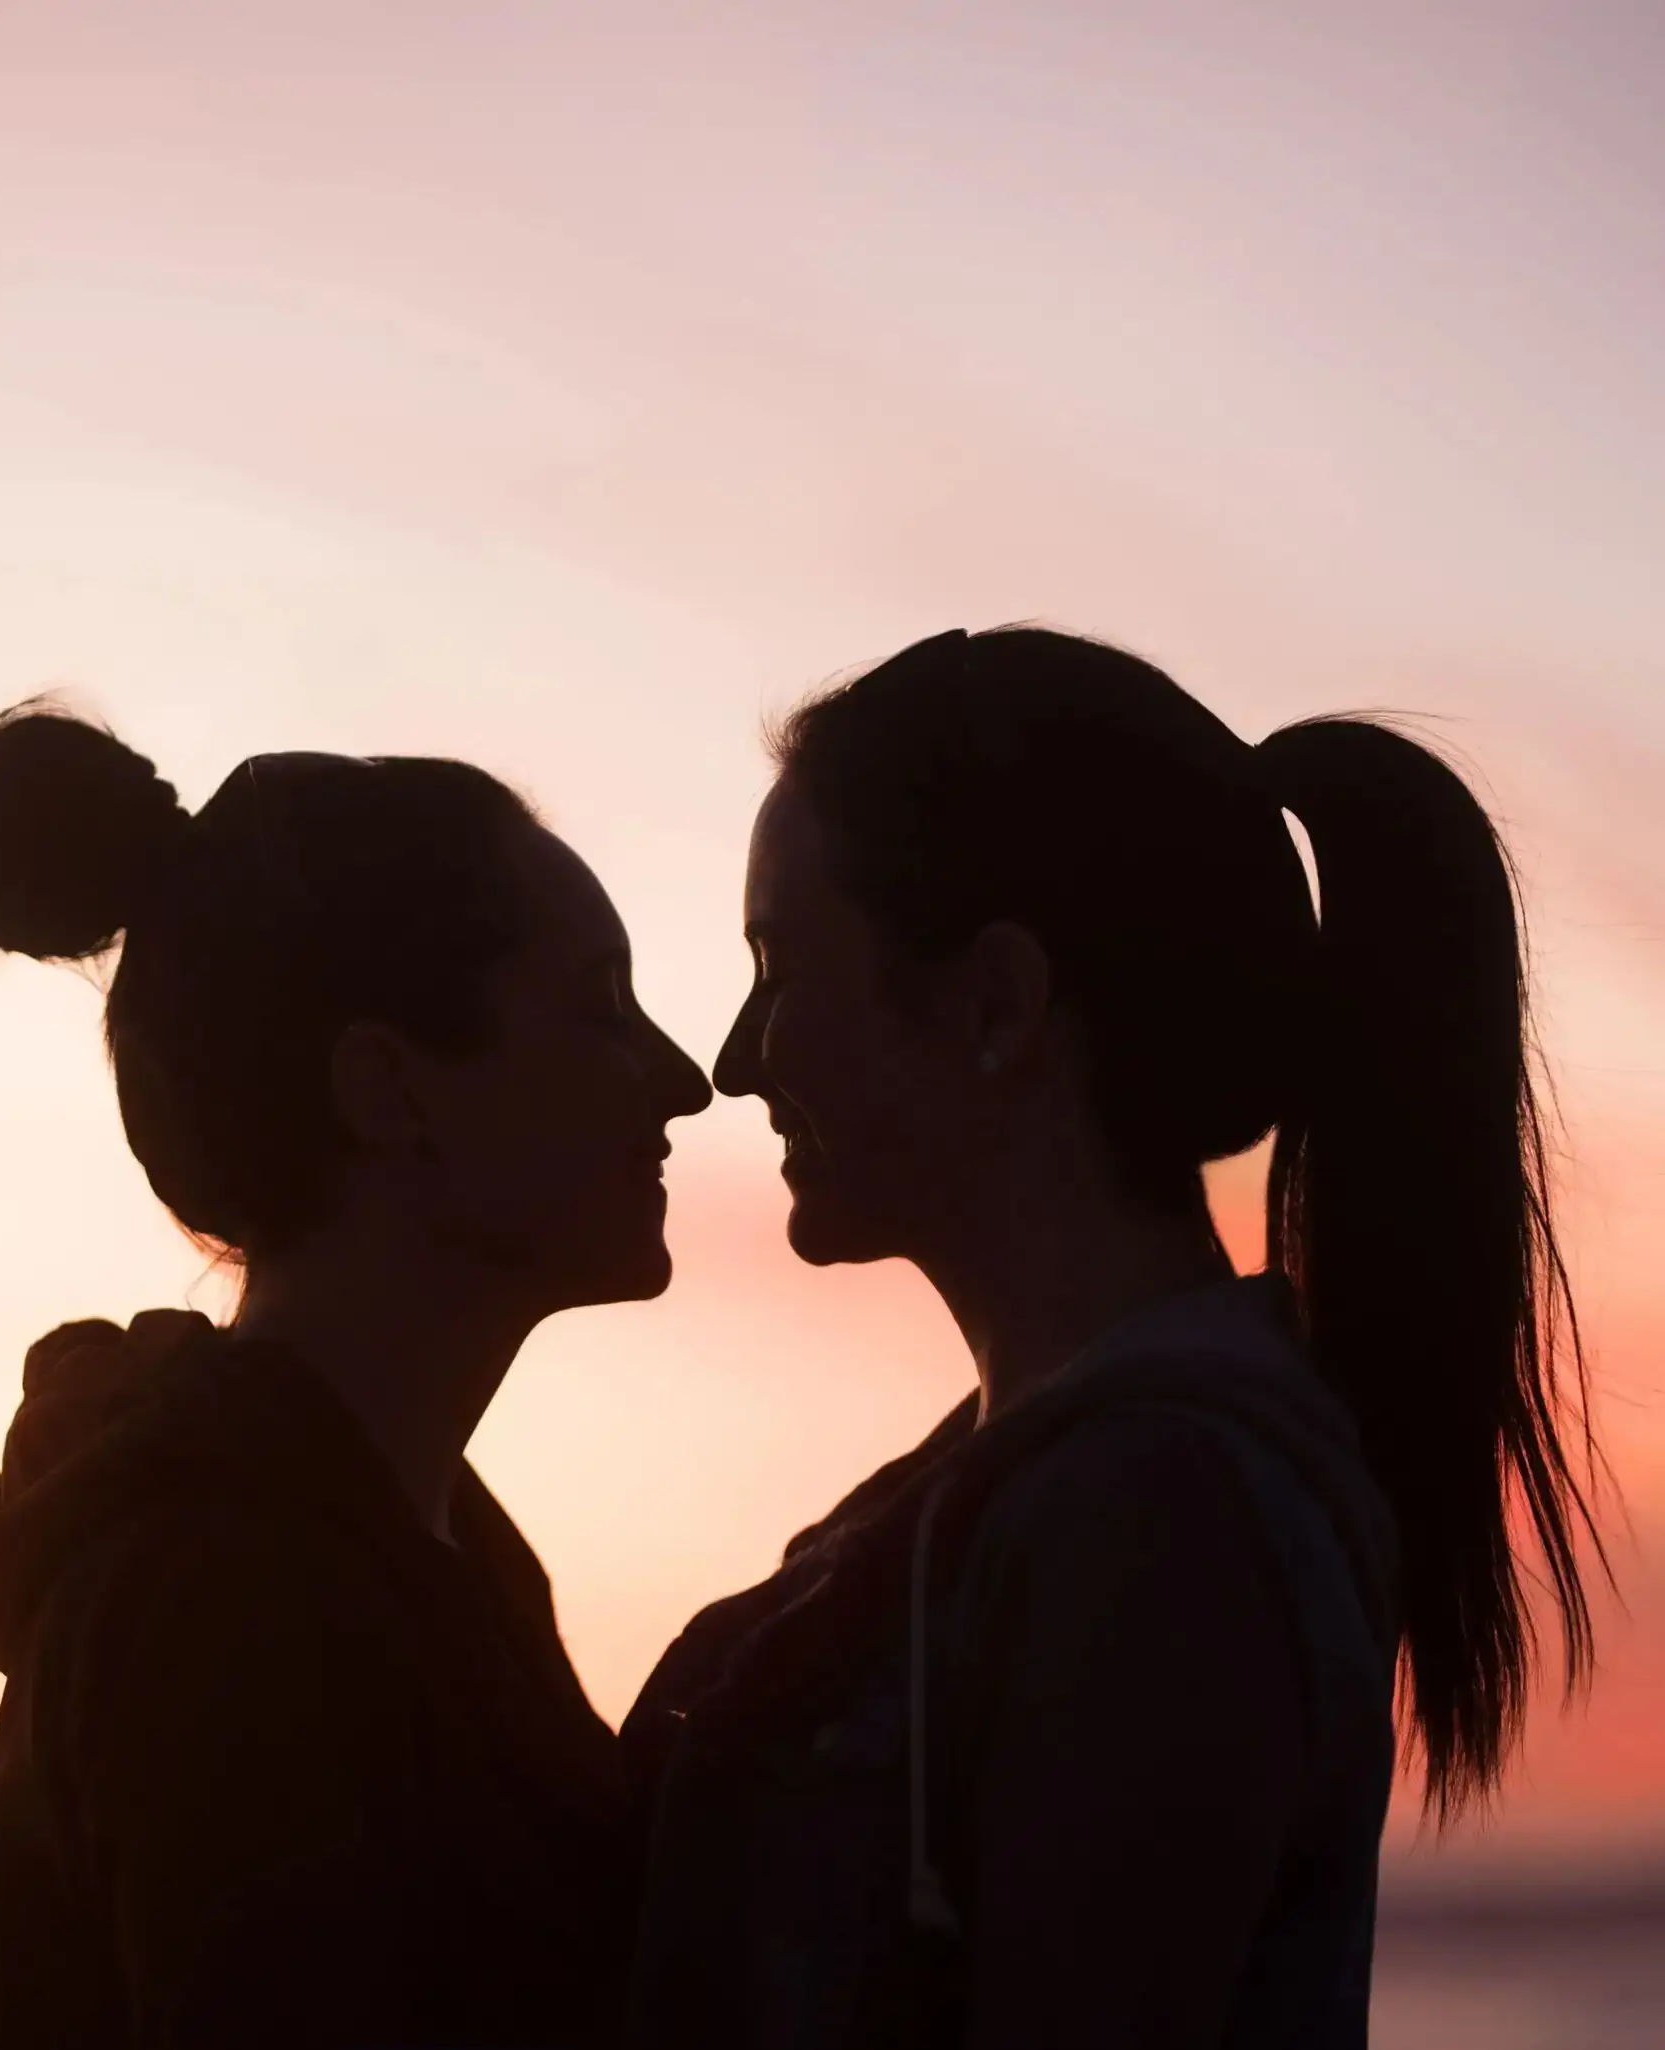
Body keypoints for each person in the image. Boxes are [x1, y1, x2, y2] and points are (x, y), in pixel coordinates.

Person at [623, 628, 1605, 2049]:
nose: (735, 1056)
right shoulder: (1066, 1480)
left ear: (995, 1004)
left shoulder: (1163, 1511)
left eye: (780, 965)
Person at [0, 702, 710, 2049]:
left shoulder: (413, 1552)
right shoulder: (224, 1605)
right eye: (596, 1009)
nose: (681, 1080)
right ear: (389, 1090)